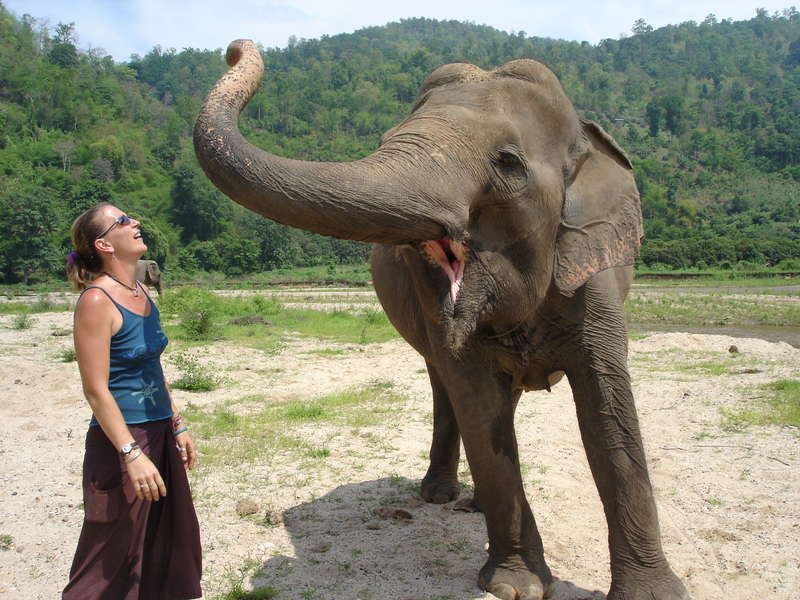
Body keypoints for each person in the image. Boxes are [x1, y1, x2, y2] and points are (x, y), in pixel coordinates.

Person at [62, 202, 202, 599]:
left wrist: (177, 422)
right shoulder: (96, 302)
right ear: (103, 243)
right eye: (122, 221)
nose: (135, 222)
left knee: (163, 542)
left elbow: (152, 368)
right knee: (108, 557)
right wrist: (130, 452)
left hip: (158, 432)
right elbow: (95, 389)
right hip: (122, 441)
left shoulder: (138, 290)